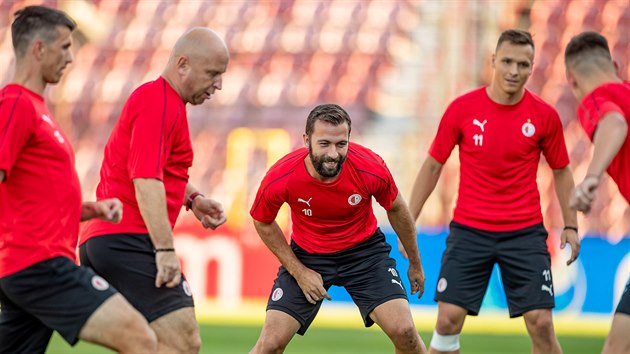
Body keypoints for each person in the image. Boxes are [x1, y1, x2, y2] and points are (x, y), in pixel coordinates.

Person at [408, 29, 580, 354]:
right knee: (446, 321)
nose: (514, 71)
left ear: (532, 67)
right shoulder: (462, 109)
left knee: (541, 323)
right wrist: (409, 221)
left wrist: (570, 225)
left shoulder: (544, 116)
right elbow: (432, 166)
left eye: (523, 64)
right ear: (493, 61)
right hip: (469, 232)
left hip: (524, 233)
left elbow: (562, 171)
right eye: (508, 62)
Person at [0, 6, 157, 353]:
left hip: (28, 266)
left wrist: (92, 210)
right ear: (39, 48)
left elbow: (33, 197)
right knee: (142, 340)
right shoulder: (15, 103)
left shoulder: (38, 109)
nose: (71, 58)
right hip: (40, 265)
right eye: (65, 47)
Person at [78, 27, 229, 352]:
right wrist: (164, 250)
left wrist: (193, 199)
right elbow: (145, 179)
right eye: (213, 73)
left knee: (145, 345)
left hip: (107, 239)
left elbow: (154, 169)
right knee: (183, 342)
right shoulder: (157, 102)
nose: (218, 84)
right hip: (128, 239)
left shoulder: (164, 103)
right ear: (183, 64)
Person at [249, 103, 427, 354]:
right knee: (269, 344)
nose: (333, 153)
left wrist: (415, 262)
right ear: (306, 140)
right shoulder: (282, 176)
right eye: (324, 144)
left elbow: (396, 208)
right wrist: (299, 272)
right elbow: (262, 220)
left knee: (405, 332)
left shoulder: (370, 166)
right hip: (308, 256)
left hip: (365, 255)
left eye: (341, 144)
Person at [564, 31, 630, 354]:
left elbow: (615, 124)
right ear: (616, 65)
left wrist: (590, 178)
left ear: (571, 81)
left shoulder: (596, 99)